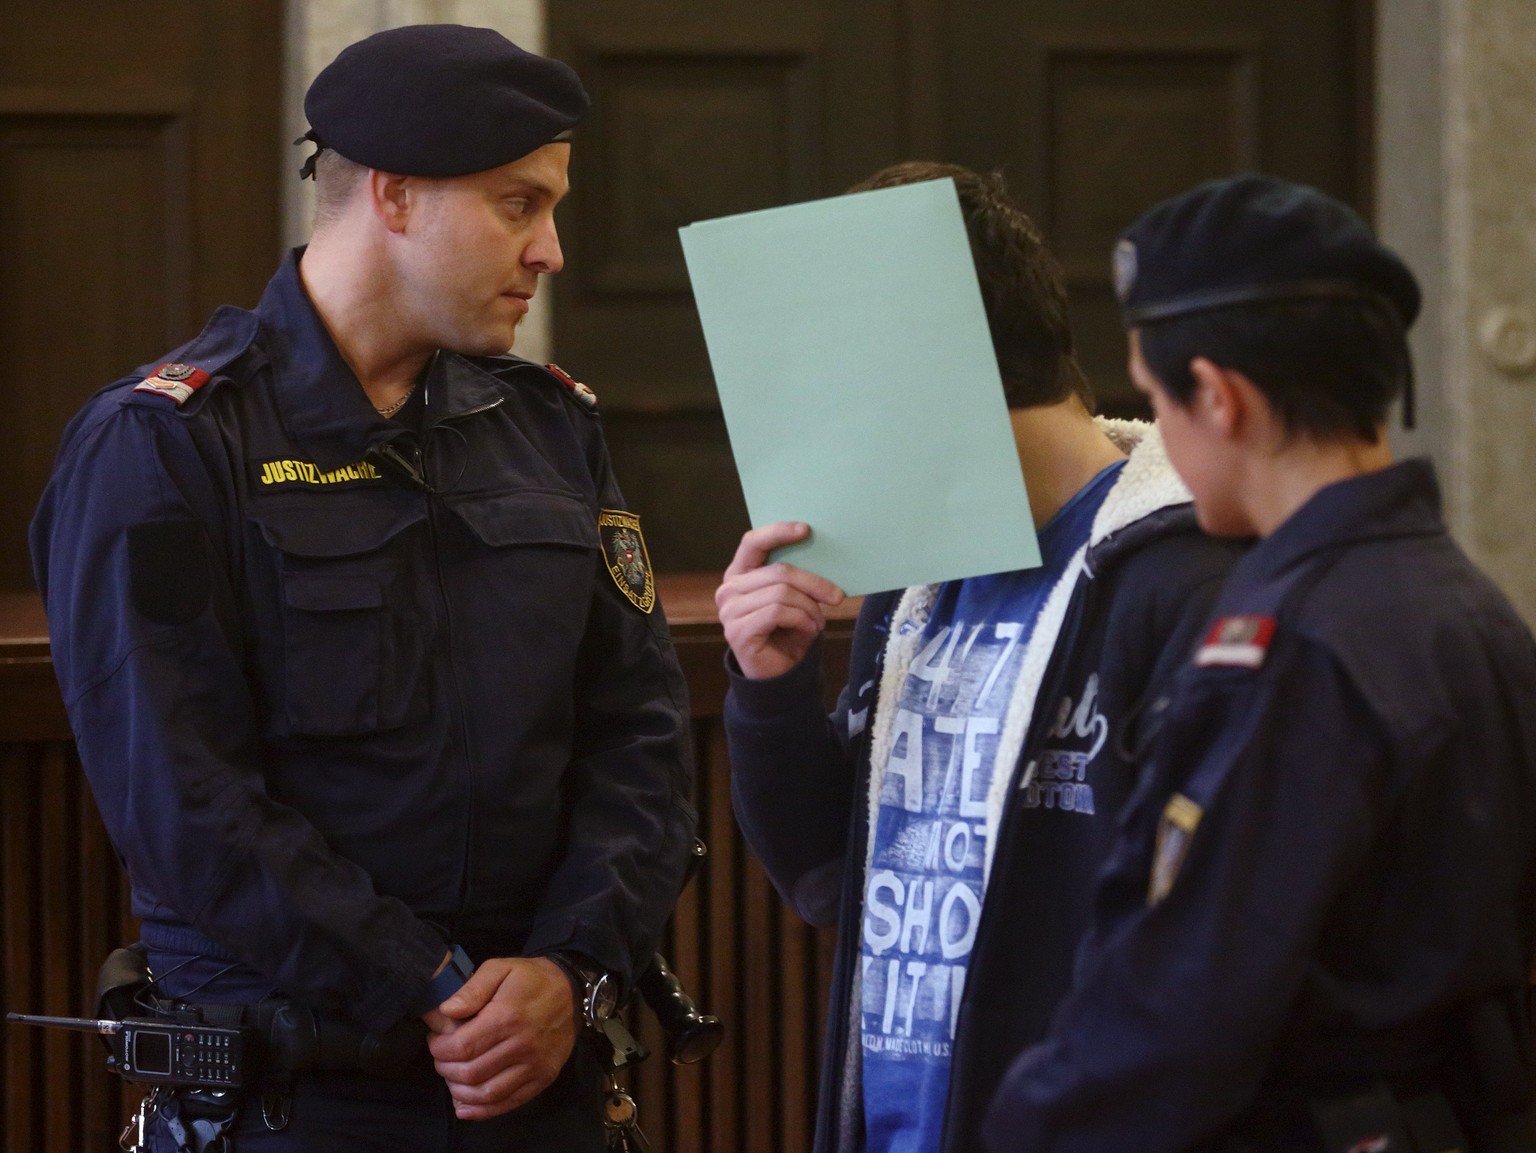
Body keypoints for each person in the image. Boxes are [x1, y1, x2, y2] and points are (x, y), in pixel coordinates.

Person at [29, 24, 697, 1153]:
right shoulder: (168, 445)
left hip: (543, 1086)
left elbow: (641, 731)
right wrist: (430, 981)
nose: (552, 252)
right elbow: (184, 800)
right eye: (517, 205)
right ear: (393, 197)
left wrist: (569, 965)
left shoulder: (548, 428)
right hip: (295, 1099)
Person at [985, 174, 1536, 1153]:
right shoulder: (1470, 604)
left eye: (1156, 400)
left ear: (1221, 397)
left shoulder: (1294, 650)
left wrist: (1028, 1126)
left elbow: (1184, 1004)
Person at [715, 161, 1242, 1153]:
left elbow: (1213, 960)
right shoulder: (921, 575)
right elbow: (829, 878)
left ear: (933, 366)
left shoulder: (1183, 584)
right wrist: (772, 685)